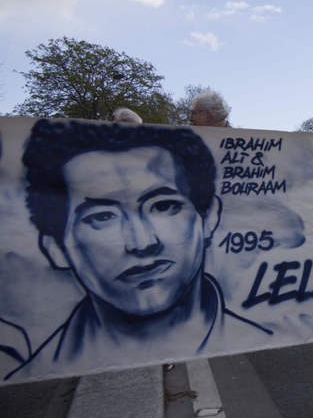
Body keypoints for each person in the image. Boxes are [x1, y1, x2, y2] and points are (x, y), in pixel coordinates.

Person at [5, 120, 272, 380]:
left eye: (163, 206)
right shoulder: (36, 367)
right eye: (102, 217)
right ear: (56, 248)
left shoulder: (266, 334)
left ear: (209, 218)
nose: (142, 243)